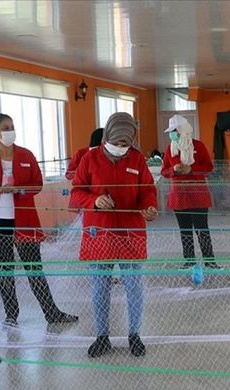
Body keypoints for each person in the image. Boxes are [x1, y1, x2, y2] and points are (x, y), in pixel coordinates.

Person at [0, 113, 78, 326]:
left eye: (12, 126)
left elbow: (37, 184)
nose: (10, 131)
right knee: (5, 271)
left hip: (25, 221)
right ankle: (11, 315)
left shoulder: (26, 156)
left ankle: (52, 313)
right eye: (5, 127)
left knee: (34, 269)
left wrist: (18, 189)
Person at [71, 112, 158, 358]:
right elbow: (77, 191)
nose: (122, 148)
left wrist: (149, 207)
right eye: (118, 143)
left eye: (126, 144)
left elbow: (147, 190)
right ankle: (102, 336)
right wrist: (94, 200)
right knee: (100, 287)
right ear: (107, 136)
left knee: (134, 286)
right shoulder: (90, 159)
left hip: (130, 231)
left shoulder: (137, 160)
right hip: (100, 231)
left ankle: (134, 334)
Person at [160, 114, 219, 269]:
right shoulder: (170, 149)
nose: (173, 134)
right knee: (185, 230)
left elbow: (208, 167)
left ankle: (209, 260)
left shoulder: (198, 146)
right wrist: (174, 169)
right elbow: (164, 172)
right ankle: (189, 260)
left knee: (202, 229)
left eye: (175, 131)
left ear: (183, 130)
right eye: (172, 132)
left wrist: (191, 169)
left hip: (197, 194)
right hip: (179, 195)